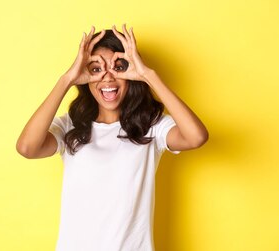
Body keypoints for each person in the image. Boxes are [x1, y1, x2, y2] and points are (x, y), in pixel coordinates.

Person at [15, 24, 209, 250]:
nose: (107, 77)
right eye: (96, 69)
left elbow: (196, 137)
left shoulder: (151, 125)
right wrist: (67, 79)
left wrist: (148, 75)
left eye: (118, 67)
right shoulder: (71, 125)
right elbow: (27, 148)